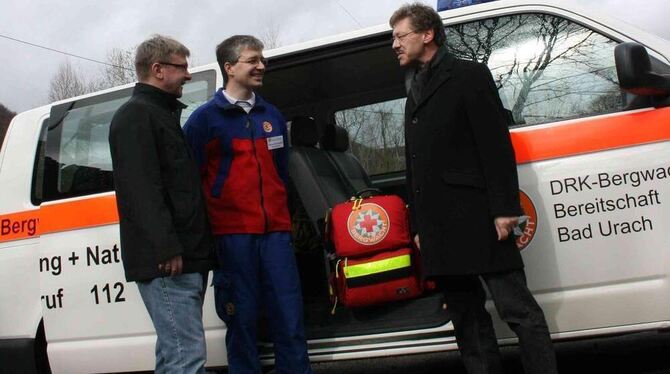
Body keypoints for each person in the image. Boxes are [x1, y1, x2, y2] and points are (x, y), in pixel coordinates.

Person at [389, 4, 558, 374]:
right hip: (439, 230)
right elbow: (416, 167)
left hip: (483, 219)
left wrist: (505, 210)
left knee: (519, 311)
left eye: (400, 36)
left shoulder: (469, 75)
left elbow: (496, 147)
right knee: (466, 321)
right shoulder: (413, 91)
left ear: (427, 34)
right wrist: (417, 228)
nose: (394, 44)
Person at [183, 35, 312, 374]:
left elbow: (281, 171)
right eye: (253, 60)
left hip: (276, 235)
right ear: (229, 67)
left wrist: (285, 218)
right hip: (232, 237)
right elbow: (191, 181)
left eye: (262, 59)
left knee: (289, 318)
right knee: (242, 320)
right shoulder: (204, 120)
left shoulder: (271, 113)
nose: (261, 66)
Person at [109, 35, 214, 374]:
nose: (188, 74)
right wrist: (165, 248)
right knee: (187, 358)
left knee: (174, 357)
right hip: (169, 262)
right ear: (157, 69)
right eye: (182, 67)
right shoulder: (136, 116)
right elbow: (141, 191)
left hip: (185, 257)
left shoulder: (161, 114)